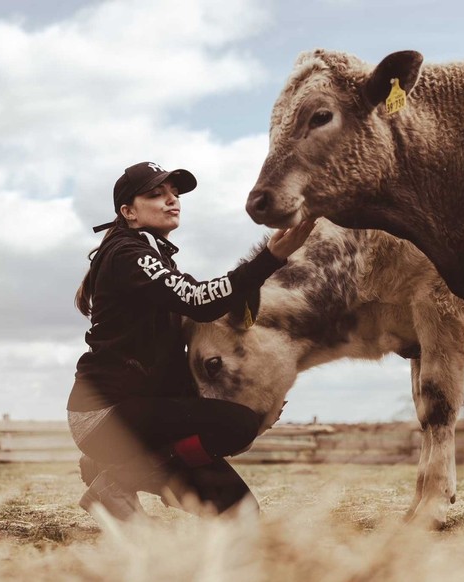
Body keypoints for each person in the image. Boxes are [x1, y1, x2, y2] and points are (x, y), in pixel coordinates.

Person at [69, 161, 315, 521]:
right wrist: (271, 257)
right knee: (237, 425)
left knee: (242, 515)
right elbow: (200, 300)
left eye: (175, 194)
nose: (172, 201)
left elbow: (206, 308)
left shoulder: (153, 256)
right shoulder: (128, 255)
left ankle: (105, 466)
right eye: (156, 194)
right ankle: (116, 477)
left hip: (140, 416)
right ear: (129, 212)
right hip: (107, 414)